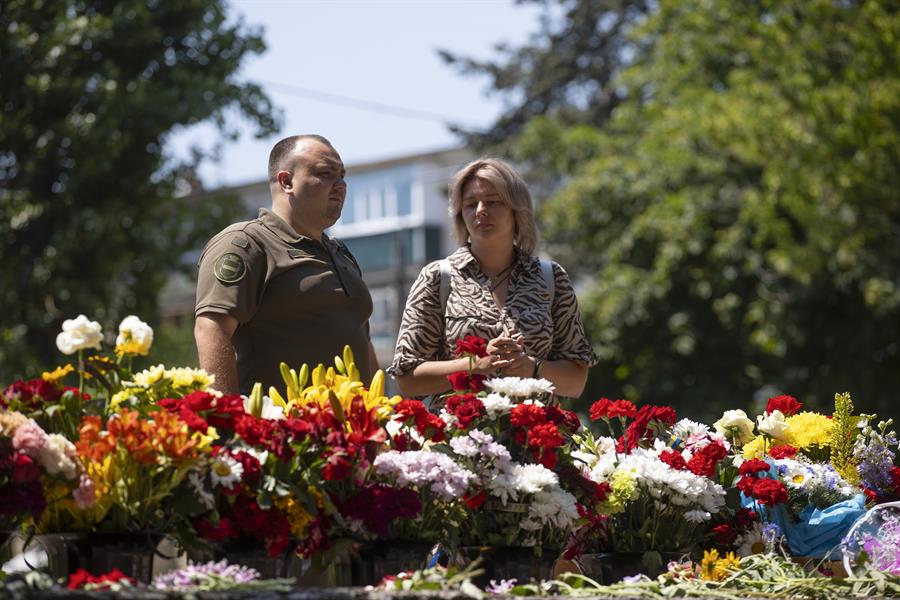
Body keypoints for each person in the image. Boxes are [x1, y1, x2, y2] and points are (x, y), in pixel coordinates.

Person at [388, 157, 595, 398]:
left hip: (536, 432)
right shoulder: (437, 278)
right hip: (460, 433)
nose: (481, 211)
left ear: (517, 209)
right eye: (470, 204)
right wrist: (476, 366)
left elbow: (576, 382)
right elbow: (407, 379)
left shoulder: (551, 278)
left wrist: (531, 367)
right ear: (459, 214)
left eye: (493, 202)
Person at [194, 134, 378, 396]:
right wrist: (227, 423)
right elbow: (211, 328)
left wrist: (381, 415)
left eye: (342, 176)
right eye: (326, 174)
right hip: (281, 430)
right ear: (286, 181)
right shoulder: (247, 244)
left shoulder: (340, 252)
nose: (340, 185)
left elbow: (361, 337)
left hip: (351, 429)